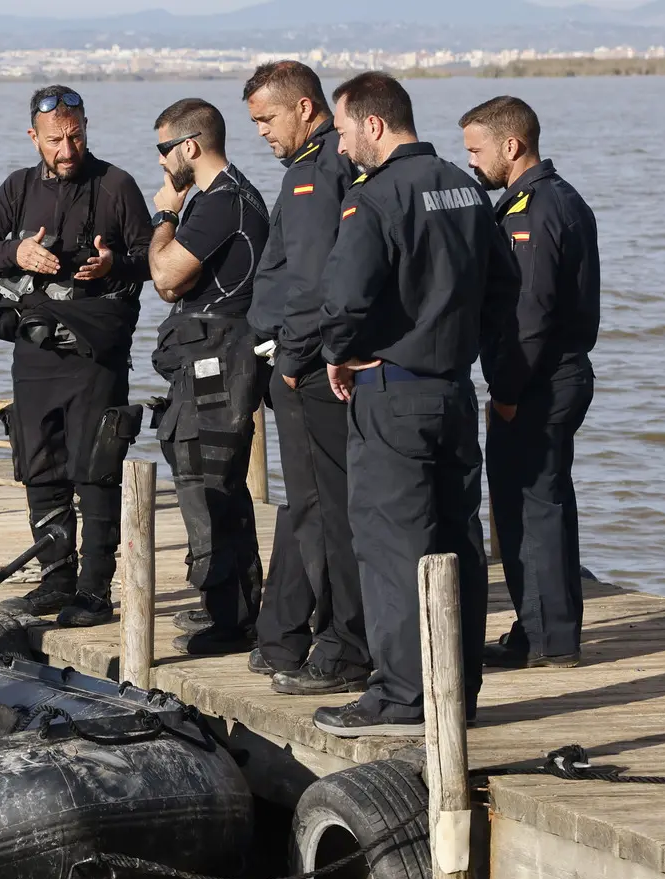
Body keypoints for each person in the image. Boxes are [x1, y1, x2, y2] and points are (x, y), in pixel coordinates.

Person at [311, 72, 522, 737]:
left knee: (392, 546)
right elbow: (504, 288)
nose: (342, 150)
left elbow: (344, 301)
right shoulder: (464, 187)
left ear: (374, 125)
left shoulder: (373, 201)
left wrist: (338, 351)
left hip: (391, 391)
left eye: (344, 133)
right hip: (455, 393)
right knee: (456, 543)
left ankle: (403, 695)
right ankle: (457, 691)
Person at [0, 85, 153, 628]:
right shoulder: (18, 187)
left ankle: (94, 592)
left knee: (95, 468)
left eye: (75, 136)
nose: (66, 149)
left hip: (95, 358)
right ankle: (55, 581)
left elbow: (152, 261)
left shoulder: (116, 184)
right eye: (54, 140)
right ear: (34, 137)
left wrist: (113, 263)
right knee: (40, 464)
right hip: (34, 355)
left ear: (86, 126)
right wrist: (15, 251)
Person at [240, 60, 372, 695]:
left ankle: (345, 641)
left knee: (324, 507)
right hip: (307, 359)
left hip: (309, 366)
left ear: (305, 108)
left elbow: (316, 281)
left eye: (267, 118)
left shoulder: (316, 175)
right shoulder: (315, 168)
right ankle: (286, 633)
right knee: (308, 503)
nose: (262, 132)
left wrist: (292, 358)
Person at [461, 95, 600, 669]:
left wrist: (508, 393)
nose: (469, 161)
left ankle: (548, 639)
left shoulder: (533, 211)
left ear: (511, 147)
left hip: (539, 381)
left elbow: (532, 314)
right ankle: (543, 629)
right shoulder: (557, 197)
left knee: (533, 508)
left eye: (476, 150)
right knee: (541, 503)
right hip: (553, 375)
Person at [145, 97, 270, 654]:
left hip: (219, 363)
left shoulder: (221, 202)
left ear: (188, 147)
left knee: (208, 482)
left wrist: (166, 213)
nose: (162, 164)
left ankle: (233, 620)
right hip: (206, 361)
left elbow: (166, 274)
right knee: (210, 479)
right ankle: (231, 607)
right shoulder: (223, 198)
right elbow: (169, 284)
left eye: (163, 150)